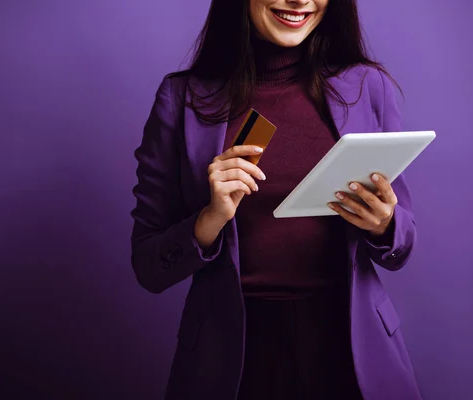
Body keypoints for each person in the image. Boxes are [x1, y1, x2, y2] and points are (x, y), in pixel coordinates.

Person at [130, 0, 422, 399]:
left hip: (353, 350)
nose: (300, 0)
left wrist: (385, 224)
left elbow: (402, 245)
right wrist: (210, 218)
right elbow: (149, 267)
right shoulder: (181, 98)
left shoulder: (368, 87)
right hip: (233, 356)